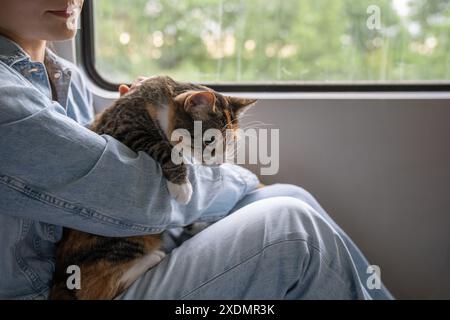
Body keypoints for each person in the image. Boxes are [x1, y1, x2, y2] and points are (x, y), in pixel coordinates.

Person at [0, 0, 392, 300]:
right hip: (65, 288)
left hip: (97, 253)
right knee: (293, 231)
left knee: (288, 195)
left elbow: (93, 170)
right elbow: (133, 195)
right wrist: (235, 177)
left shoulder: (66, 78)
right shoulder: (6, 100)